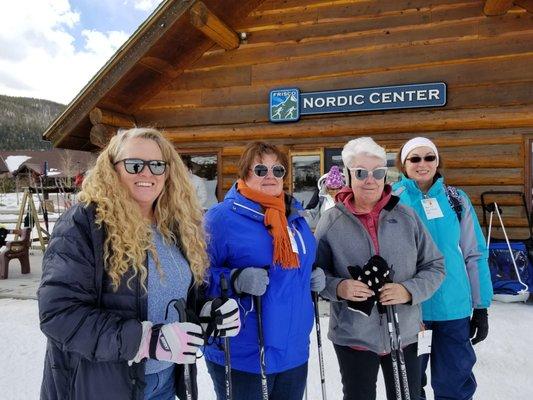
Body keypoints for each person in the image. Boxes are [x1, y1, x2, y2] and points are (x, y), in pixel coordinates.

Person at [38, 128, 240, 400]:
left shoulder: (174, 226)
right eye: (134, 165)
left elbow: (175, 300)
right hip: (103, 387)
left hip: (165, 383)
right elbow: (59, 315)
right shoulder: (84, 224)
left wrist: (206, 312)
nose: (147, 174)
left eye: (157, 165)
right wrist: (146, 340)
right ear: (112, 170)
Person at [315, 137, 445, 400]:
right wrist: (339, 287)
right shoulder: (331, 220)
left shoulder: (407, 217)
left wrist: (409, 291)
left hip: (405, 333)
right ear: (349, 175)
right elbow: (315, 274)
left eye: (377, 172)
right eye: (361, 173)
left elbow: (435, 265)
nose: (370, 180)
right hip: (354, 335)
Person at [203, 141, 325, 400]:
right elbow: (194, 277)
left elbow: (300, 264)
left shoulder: (295, 218)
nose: (270, 176)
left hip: (292, 352)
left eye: (277, 170)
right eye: (260, 170)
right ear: (245, 173)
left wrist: (311, 276)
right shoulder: (221, 219)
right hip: (242, 353)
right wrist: (234, 279)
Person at [392, 137, 493, 400]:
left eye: (429, 157)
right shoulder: (391, 198)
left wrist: (481, 307)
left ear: (438, 162)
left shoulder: (456, 199)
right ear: (403, 164)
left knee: (454, 383)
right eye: (415, 158)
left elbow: (475, 253)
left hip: (453, 308)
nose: (422, 164)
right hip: (410, 308)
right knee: (409, 386)